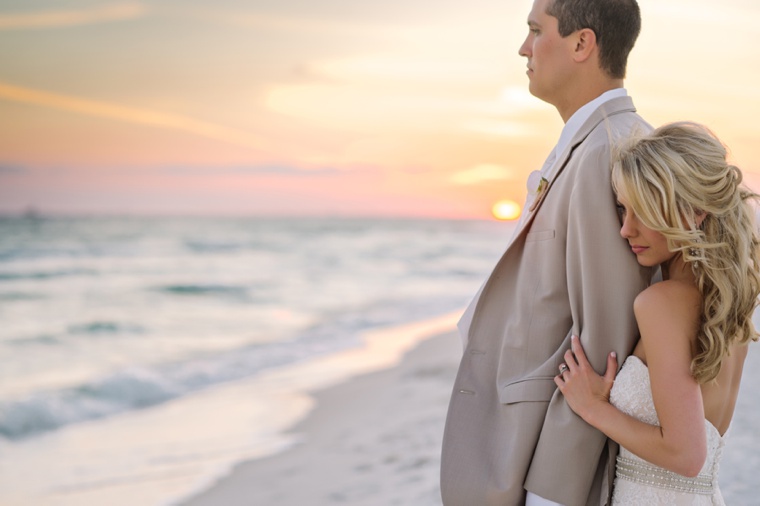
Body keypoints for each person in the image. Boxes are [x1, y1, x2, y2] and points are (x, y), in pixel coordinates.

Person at [440, 0, 651, 505]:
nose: (524, 48)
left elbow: (606, 343)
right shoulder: (587, 144)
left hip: (545, 464)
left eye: (536, 31)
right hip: (522, 443)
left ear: (582, 43)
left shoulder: (609, 151)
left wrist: (555, 488)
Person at [555, 122, 760, 505]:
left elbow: (686, 455)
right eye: (622, 208)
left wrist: (592, 407)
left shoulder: (661, 303)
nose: (625, 229)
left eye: (644, 211)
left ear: (695, 211)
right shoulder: (729, 308)